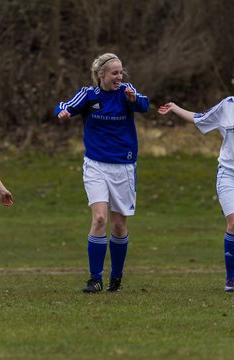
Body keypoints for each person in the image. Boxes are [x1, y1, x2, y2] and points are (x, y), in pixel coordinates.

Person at [55, 53, 149, 293]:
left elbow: (145, 105)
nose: (119, 77)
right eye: (114, 73)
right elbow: (65, 105)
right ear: (101, 75)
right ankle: (94, 278)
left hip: (124, 166)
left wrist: (133, 99)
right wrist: (62, 113)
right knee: (99, 219)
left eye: (121, 72)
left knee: (118, 226)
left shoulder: (126, 91)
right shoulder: (89, 95)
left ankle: (115, 277)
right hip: (96, 165)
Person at [158, 97, 234, 292]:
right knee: (233, 223)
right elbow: (199, 119)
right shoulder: (228, 105)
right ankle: (231, 279)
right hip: (228, 174)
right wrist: (175, 108)